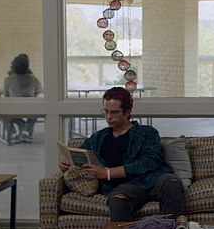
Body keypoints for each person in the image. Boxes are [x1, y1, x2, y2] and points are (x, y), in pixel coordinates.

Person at [59, 87, 185, 222]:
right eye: (106, 111)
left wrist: (108, 173)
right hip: (125, 187)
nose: (108, 117)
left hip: (152, 180)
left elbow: (150, 162)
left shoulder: (147, 133)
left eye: (114, 112)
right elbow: (80, 155)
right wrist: (69, 165)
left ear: (128, 112)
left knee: (171, 181)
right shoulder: (98, 138)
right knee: (118, 200)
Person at [4, 53, 43, 143]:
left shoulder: (8, 80)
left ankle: (13, 134)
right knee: (36, 110)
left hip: (14, 109)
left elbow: (6, 95)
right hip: (30, 109)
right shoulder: (32, 79)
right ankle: (26, 131)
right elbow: (39, 89)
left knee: (2, 115)